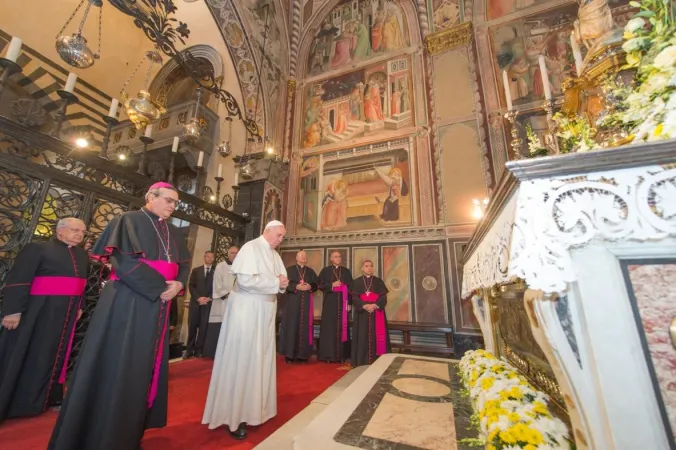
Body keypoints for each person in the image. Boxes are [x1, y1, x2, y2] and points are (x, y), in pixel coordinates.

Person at [48, 182, 191, 450]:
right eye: (169, 200)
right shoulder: (128, 220)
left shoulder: (172, 231)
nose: (173, 206)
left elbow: (183, 265)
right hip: (129, 301)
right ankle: (105, 433)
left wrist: (179, 285)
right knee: (122, 363)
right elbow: (125, 263)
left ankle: (130, 430)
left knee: (144, 366)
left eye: (175, 202)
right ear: (151, 197)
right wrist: (162, 288)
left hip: (158, 305)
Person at [203, 221, 288, 440]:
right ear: (266, 231)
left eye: (282, 236)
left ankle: (255, 410)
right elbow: (246, 280)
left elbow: (281, 281)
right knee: (243, 361)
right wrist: (276, 282)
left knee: (259, 361)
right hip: (247, 311)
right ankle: (234, 416)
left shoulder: (274, 254)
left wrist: (282, 283)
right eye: (278, 235)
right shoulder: (251, 248)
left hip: (265, 311)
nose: (280, 240)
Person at [0, 218, 89, 422]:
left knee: (53, 353)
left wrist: (80, 305)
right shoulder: (37, 249)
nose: (79, 235)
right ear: (60, 231)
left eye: (83, 232)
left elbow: (81, 283)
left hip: (66, 313)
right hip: (37, 312)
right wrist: (12, 311)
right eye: (75, 230)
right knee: (27, 351)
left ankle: (44, 399)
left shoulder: (81, 255)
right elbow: (19, 279)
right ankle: (14, 402)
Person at [278, 250, 319, 363]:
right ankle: (289, 355)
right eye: (301, 256)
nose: (303, 258)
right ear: (297, 257)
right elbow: (284, 284)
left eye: (305, 256)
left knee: (305, 327)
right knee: (291, 327)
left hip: (306, 305)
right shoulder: (289, 270)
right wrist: (296, 286)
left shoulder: (310, 271)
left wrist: (310, 286)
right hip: (292, 304)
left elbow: (316, 284)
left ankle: (303, 355)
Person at [350, 260, 391, 367]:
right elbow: (354, 297)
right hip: (362, 314)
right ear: (362, 268)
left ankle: (379, 360)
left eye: (371, 266)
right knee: (362, 336)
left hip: (376, 313)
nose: (369, 268)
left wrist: (375, 305)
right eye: (367, 266)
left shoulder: (378, 281)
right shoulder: (357, 282)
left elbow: (383, 297)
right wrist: (364, 305)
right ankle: (361, 360)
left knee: (377, 337)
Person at [203, 245, 239, 359]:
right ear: (228, 254)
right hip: (223, 301)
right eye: (232, 253)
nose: (235, 255)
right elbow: (217, 284)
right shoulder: (221, 266)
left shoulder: (241, 267)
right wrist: (227, 293)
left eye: (237, 253)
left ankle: (231, 353)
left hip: (237, 302)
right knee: (220, 326)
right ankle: (216, 353)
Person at [318, 251, 353, 363]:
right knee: (329, 329)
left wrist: (350, 303)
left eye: (339, 256)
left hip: (343, 304)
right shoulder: (325, 271)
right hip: (330, 304)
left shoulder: (346, 271)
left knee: (342, 328)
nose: (338, 258)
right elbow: (320, 285)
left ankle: (342, 356)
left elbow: (351, 288)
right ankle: (328, 356)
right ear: (331, 259)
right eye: (336, 257)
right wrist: (332, 285)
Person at [185, 251, 215, 359]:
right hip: (195, 304)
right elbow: (191, 285)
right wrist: (198, 298)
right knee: (192, 327)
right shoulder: (196, 270)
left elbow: (217, 287)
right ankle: (189, 350)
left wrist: (209, 298)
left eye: (212, 257)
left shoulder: (216, 272)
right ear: (204, 257)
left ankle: (198, 350)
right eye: (208, 256)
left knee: (203, 329)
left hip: (207, 304)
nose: (210, 259)